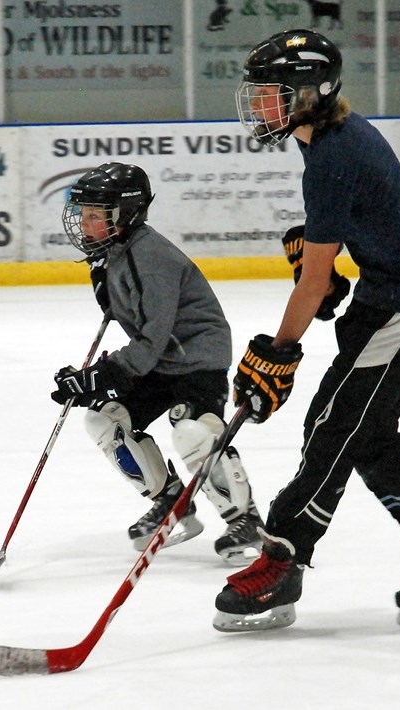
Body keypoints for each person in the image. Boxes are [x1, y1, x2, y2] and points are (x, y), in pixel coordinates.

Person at [212, 30, 400, 630]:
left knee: (333, 427)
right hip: (387, 293)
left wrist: (278, 352)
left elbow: (315, 285)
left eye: (271, 95)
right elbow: (339, 248)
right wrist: (330, 263)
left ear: (309, 94)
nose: (259, 106)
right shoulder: (324, 140)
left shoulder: (334, 155)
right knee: (367, 437)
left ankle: (282, 559)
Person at [51, 161, 264, 566]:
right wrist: (93, 384)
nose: (85, 224)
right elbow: (137, 329)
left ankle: (245, 518)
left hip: (197, 357)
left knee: (191, 432)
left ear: (126, 214)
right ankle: (171, 503)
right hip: (163, 360)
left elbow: (149, 342)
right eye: (84, 215)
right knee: (106, 420)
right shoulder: (115, 253)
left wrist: (97, 377)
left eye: (96, 215)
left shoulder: (151, 257)